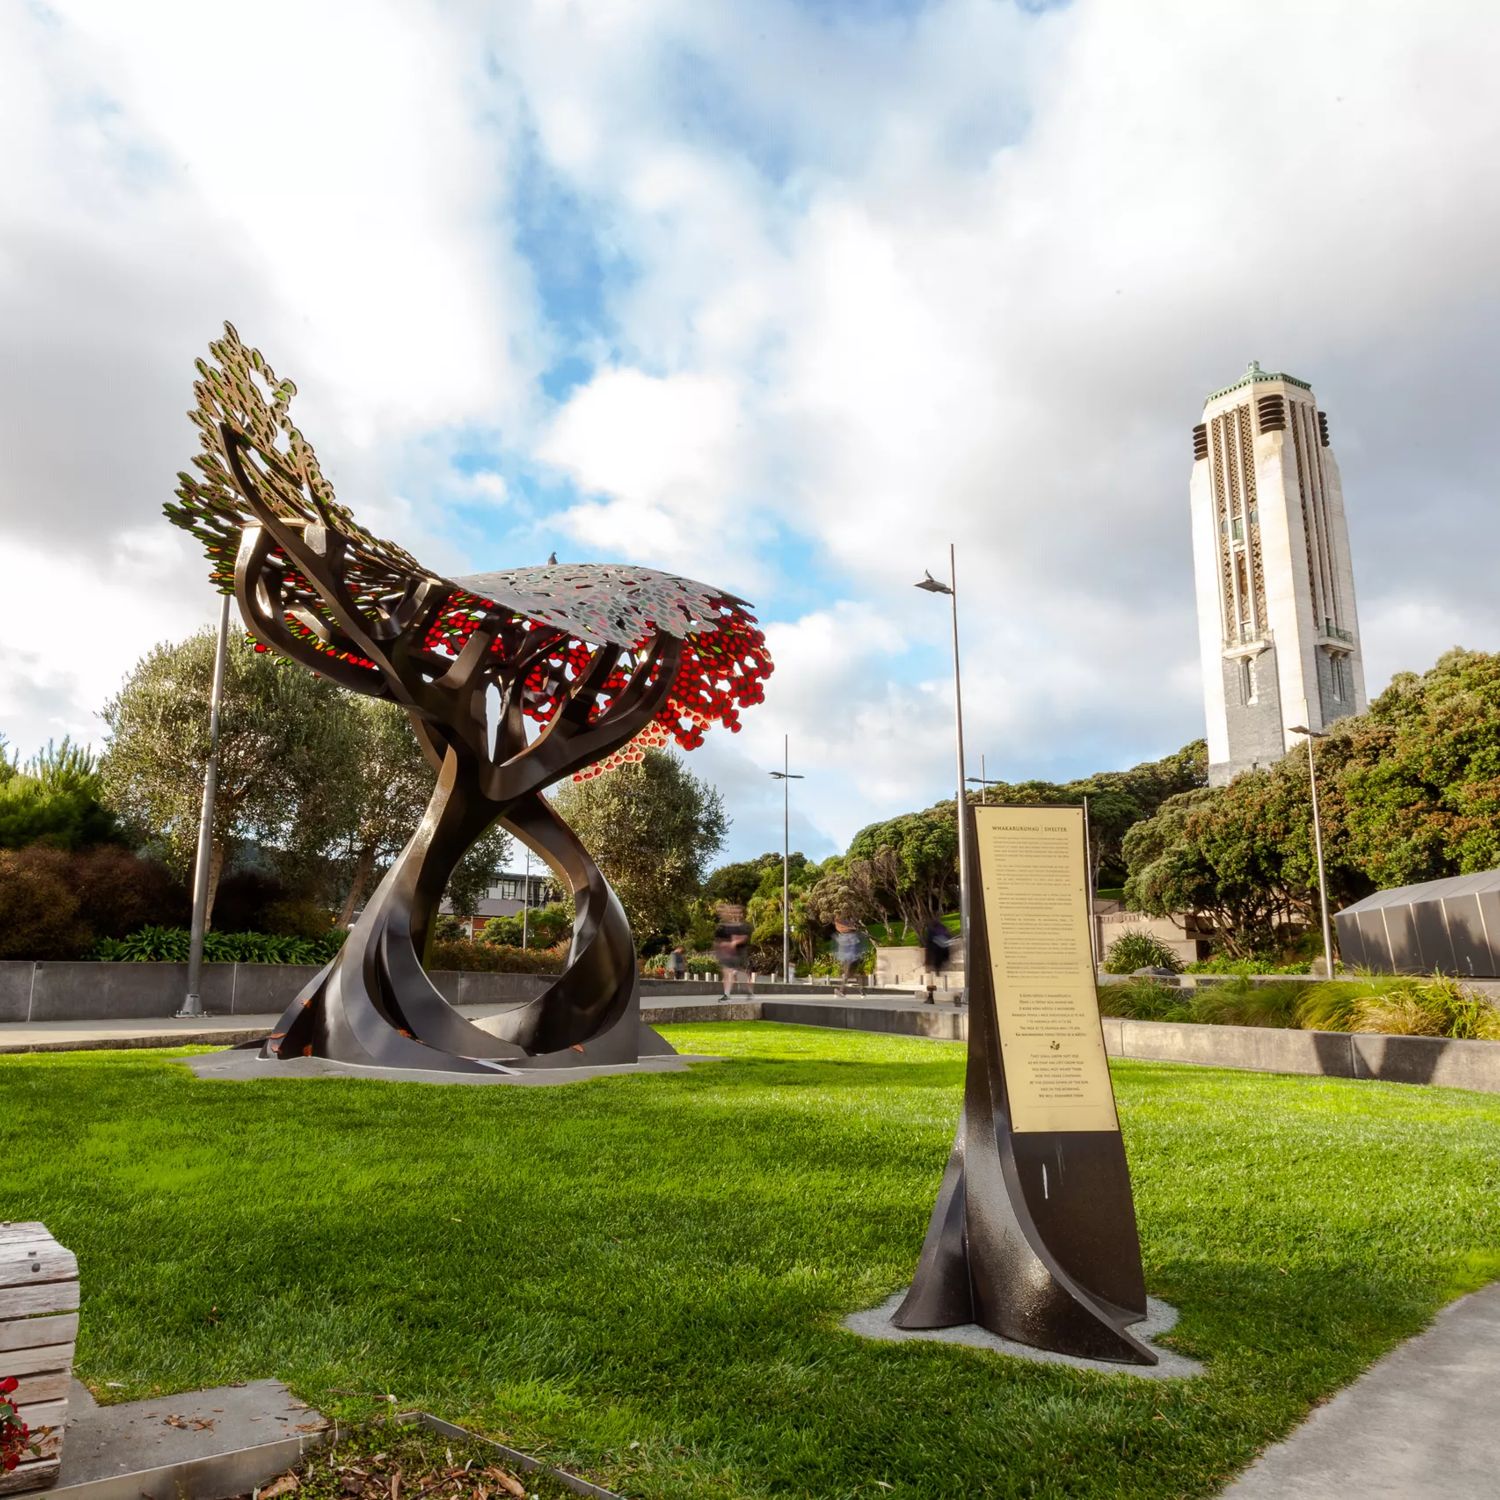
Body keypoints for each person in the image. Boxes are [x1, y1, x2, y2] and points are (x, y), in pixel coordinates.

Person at [714, 923, 754, 1000]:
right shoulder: (727, 931)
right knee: (728, 973)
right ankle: (727, 994)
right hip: (731, 955)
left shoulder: (741, 929)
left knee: (733, 972)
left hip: (738, 954)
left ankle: (747, 991)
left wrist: (733, 943)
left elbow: (743, 938)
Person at [921, 916, 952, 1004]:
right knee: (935, 977)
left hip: (933, 959)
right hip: (943, 958)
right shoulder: (943, 930)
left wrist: (927, 960)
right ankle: (931, 996)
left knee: (930, 978)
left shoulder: (931, 931)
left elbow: (929, 946)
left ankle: (930, 997)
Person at [834, 921, 868, 997]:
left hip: (852, 958)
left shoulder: (852, 937)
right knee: (852, 975)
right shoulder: (847, 936)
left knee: (846, 975)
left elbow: (853, 949)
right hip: (849, 958)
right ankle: (862, 991)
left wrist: (853, 958)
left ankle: (842, 991)